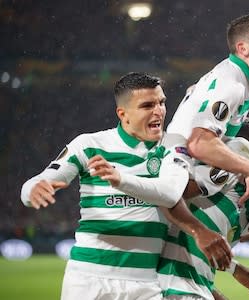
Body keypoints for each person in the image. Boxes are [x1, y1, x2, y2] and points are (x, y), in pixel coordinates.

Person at [20, 72, 231, 300]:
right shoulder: (90, 145)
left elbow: (170, 194)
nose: (158, 111)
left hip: (145, 284)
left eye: (161, 102)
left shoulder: (173, 145)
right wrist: (32, 190)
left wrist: (120, 179)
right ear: (123, 114)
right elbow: (40, 181)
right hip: (88, 279)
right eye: (147, 105)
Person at [158, 136, 249, 300]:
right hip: (170, 290)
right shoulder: (231, 172)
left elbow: (200, 270)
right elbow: (169, 194)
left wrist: (233, 268)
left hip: (194, 292)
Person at [167, 13, 249, 205]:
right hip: (178, 177)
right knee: (241, 153)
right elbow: (199, 144)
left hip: (181, 172)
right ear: (243, 49)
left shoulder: (237, 79)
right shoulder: (231, 84)